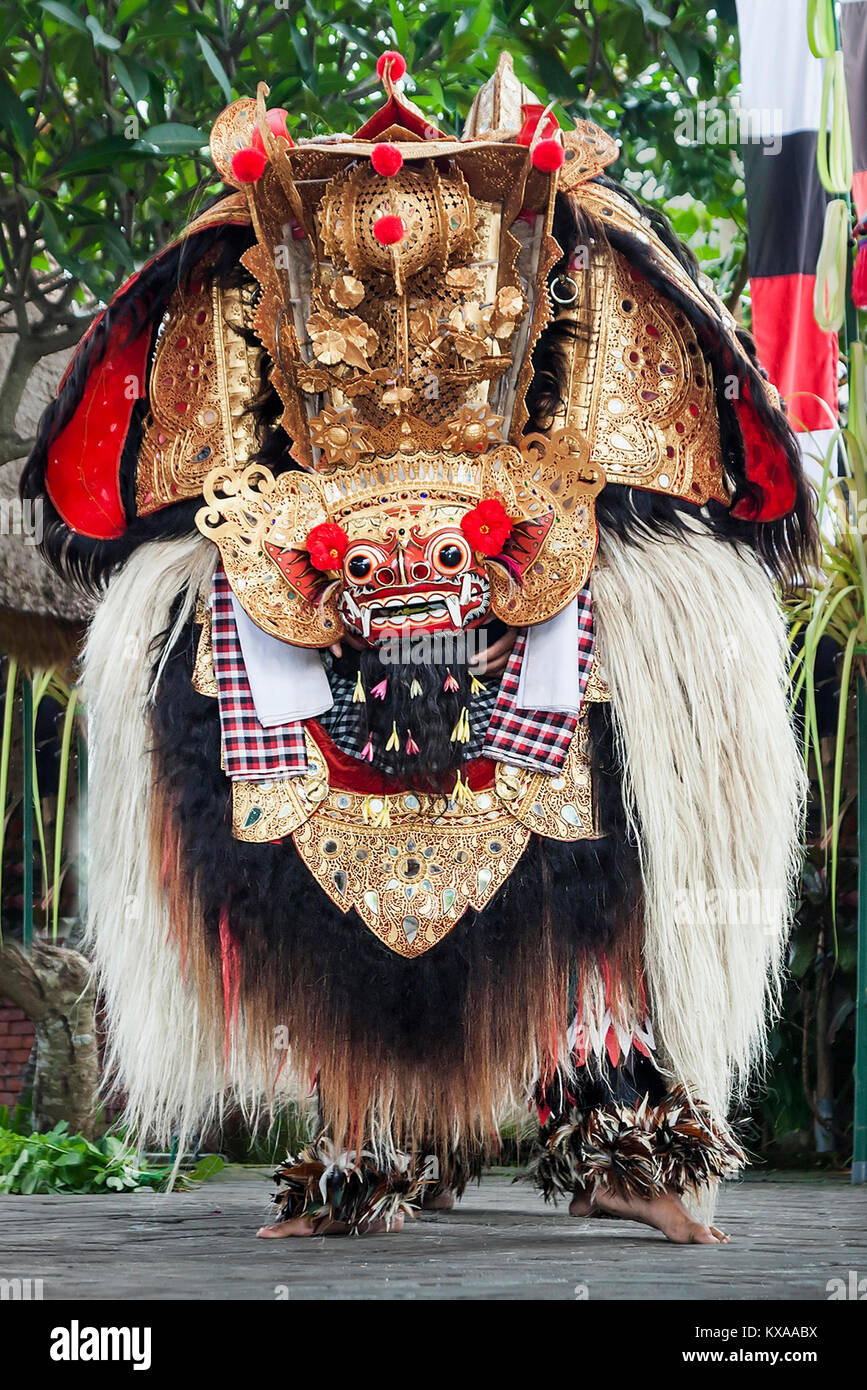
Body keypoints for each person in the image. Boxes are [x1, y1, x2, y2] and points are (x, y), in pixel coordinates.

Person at [23, 51, 816, 1243]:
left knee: (623, 736)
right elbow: (212, 486)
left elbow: (645, 469)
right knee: (228, 697)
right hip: (317, 590)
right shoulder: (237, 270)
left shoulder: (587, 261)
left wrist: (544, 565)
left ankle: (624, 1131)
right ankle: (365, 1138)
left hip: (535, 585)